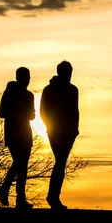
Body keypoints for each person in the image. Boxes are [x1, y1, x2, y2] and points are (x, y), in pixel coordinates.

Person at [40, 60, 79, 210]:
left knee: (61, 162)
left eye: (70, 72)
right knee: (60, 162)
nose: (69, 75)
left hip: (69, 132)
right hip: (55, 131)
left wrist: (75, 129)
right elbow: (43, 111)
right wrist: (51, 127)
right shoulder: (49, 90)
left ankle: (53, 197)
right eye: (67, 72)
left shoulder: (73, 90)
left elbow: (75, 111)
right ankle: (53, 197)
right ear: (60, 72)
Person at [0, 66, 35, 210]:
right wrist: (18, 111)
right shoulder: (9, 93)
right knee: (19, 164)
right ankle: (8, 190)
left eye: (28, 79)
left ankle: (19, 198)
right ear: (18, 78)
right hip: (13, 133)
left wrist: (29, 113)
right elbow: (2, 113)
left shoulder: (30, 95)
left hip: (25, 133)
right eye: (24, 78)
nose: (26, 81)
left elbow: (31, 116)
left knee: (22, 167)